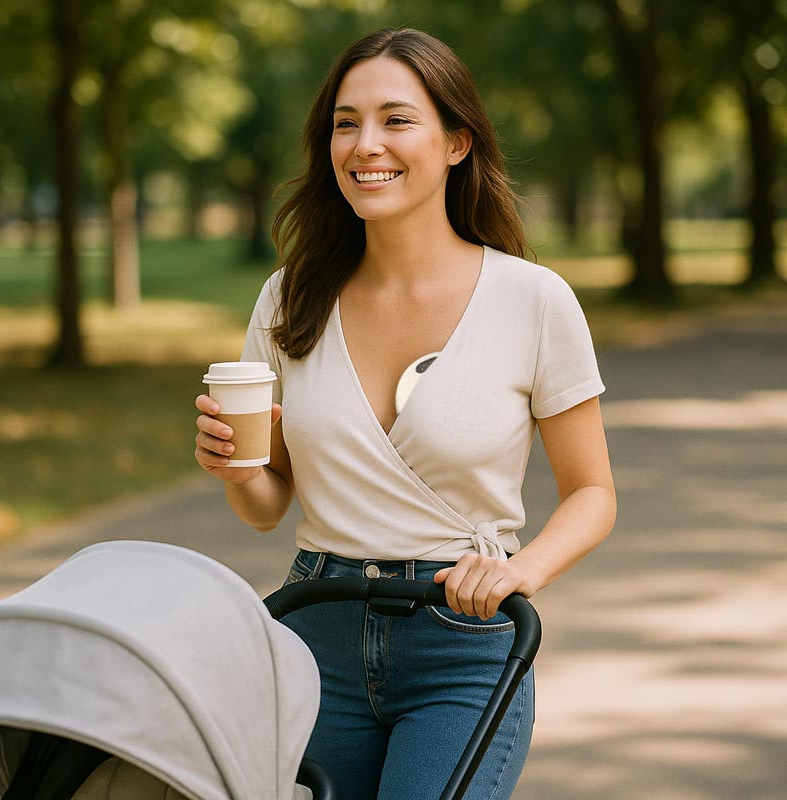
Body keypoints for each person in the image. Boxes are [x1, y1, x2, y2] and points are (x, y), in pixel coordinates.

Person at [195, 27, 616, 800]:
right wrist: (233, 464)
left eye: (395, 119)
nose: (365, 145)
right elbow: (265, 505)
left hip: (461, 640)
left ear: (457, 143)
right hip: (315, 626)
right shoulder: (291, 297)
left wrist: (518, 571)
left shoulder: (532, 299)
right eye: (345, 123)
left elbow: (593, 493)